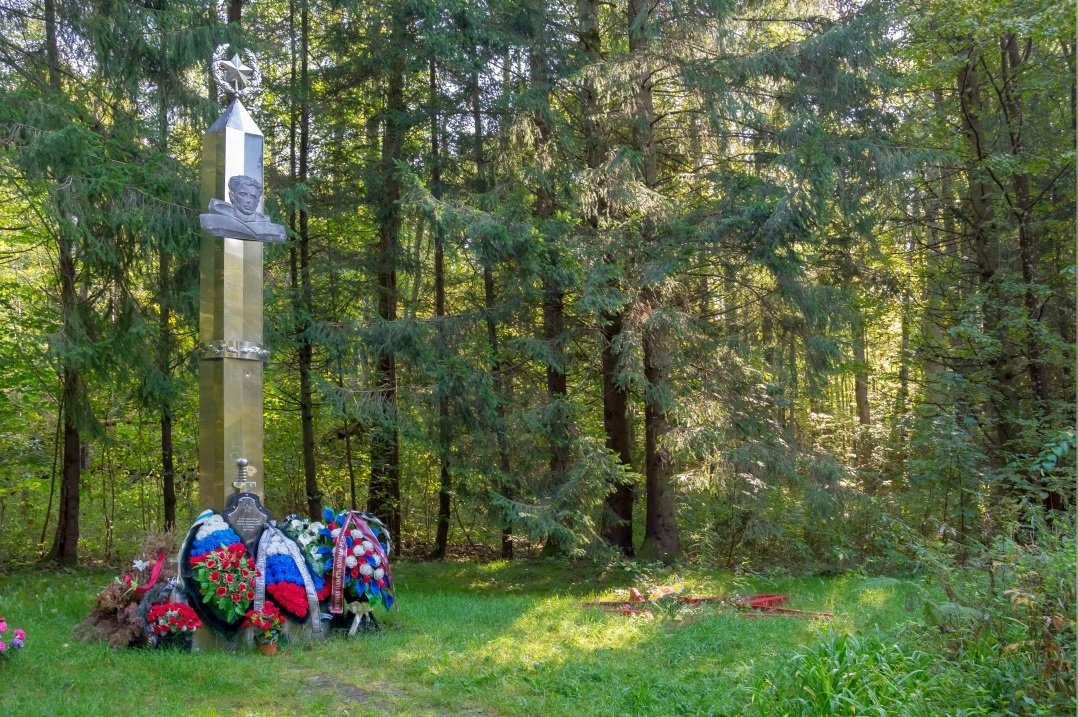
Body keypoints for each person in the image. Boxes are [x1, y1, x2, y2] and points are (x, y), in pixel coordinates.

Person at [200, 175, 286, 243]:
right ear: (232, 196)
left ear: (257, 201)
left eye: (253, 196)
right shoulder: (212, 222)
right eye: (243, 194)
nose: (248, 200)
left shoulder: (276, 231)